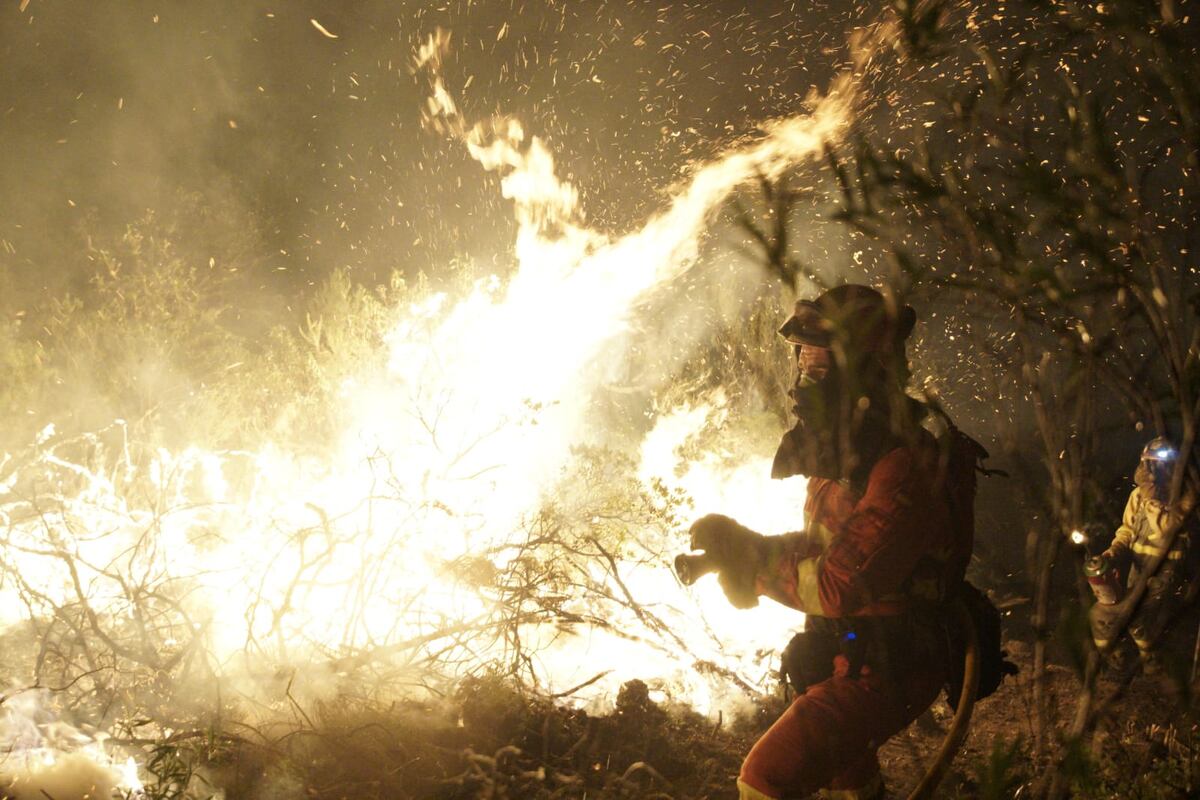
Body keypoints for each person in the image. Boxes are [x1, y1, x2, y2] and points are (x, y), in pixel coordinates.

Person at [688, 285, 977, 800]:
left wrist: (751, 565)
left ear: (864, 369)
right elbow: (826, 546)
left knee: (766, 779)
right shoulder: (851, 452)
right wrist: (745, 543)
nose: (806, 378)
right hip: (845, 649)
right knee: (850, 782)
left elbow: (842, 581)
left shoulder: (904, 463)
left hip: (890, 663)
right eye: (804, 361)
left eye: (820, 365)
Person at [1093, 437, 1197, 671]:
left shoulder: (1187, 496)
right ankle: (1117, 661)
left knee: (1138, 616)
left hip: (1166, 570)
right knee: (1106, 611)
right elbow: (1127, 530)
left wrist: (1152, 500)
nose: (1154, 471)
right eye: (1149, 464)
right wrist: (1113, 551)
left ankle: (1152, 663)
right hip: (1137, 566)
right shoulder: (1137, 496)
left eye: (1160, 465)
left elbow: (1167, 529)